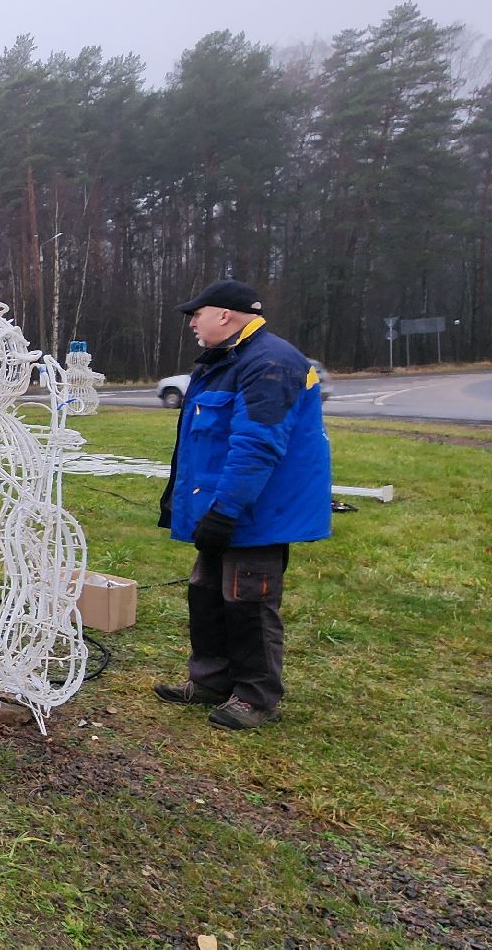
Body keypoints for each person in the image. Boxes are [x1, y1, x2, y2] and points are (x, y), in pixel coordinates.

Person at [155, 279, 331, 731]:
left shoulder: (270, 362)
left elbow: (257, 445)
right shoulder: (223, 362)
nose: (193, 322)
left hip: (256, 512)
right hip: (223, 507)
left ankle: (256, 696)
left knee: (248, 601)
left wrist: (227, 509)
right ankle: (211, 680)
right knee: (207, 593)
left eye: (197, 314)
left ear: (225, 315)